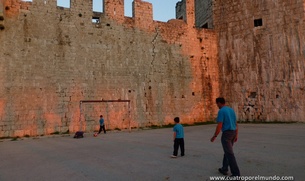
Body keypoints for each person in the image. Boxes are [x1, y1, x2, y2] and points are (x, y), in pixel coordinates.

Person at [210, 97, 240, 177]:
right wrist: (236, 134)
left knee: (230, 154)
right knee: (227, 151)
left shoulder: (221, 111)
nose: (217, 105)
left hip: (227, 134)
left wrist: (215, 136)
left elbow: (220, 125)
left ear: (219, 103)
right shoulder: (231, 110)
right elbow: (236, 123)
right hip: (233, 133)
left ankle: (236, 174)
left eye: (217, 103)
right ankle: (224, 168)